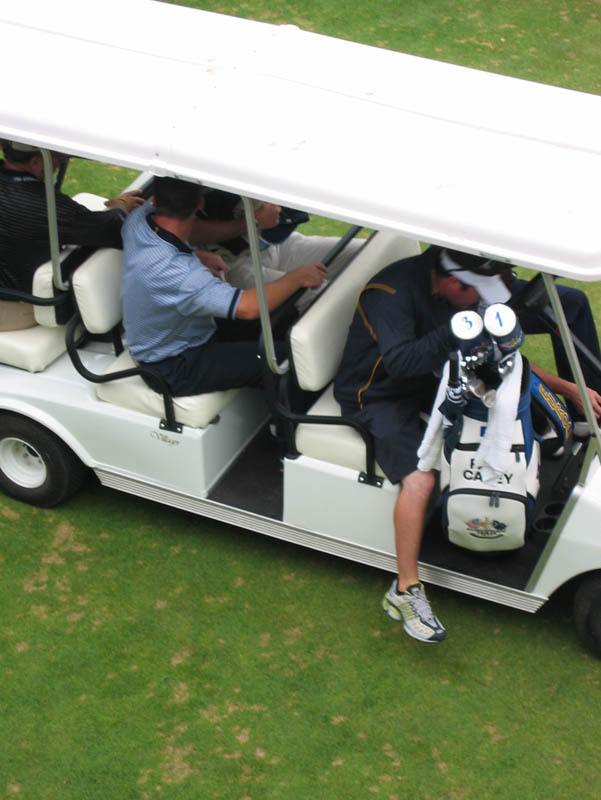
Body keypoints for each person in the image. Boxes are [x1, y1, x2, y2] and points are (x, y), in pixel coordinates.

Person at [334, 245, 601, 643]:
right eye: (475, 294)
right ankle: (405, 590)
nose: (480, 301)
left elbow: (498, 354)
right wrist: (459, 330)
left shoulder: (457, 291)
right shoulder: (389, 295)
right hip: (377, 395)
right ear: (452, 282)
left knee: (516, 407)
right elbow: (401, 364)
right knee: (420, 479)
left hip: (430, 374)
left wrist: (568, 388)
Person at [121, 177, 326, 397]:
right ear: (200, 204)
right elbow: (248, 308)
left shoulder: (137, 221)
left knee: (284, 317)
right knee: (284, 358)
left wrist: (196, 254)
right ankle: (289, 418)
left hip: (188, 331)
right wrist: (296, 278)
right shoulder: (183, 276)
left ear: (155, 199)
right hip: (175, 366)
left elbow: (162, 249)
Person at [0, 140, 143, 330]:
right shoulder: (44, 207)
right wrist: (120, 206)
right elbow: (109, 230)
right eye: (55, 157)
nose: (60, 162)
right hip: (13, 305)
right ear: (36, 162)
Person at [189, 189, 363, 290]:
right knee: (321, 295)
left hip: (274, 243)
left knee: (363, 252)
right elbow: (186, 229)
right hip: (227, 263)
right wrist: (254, 221)